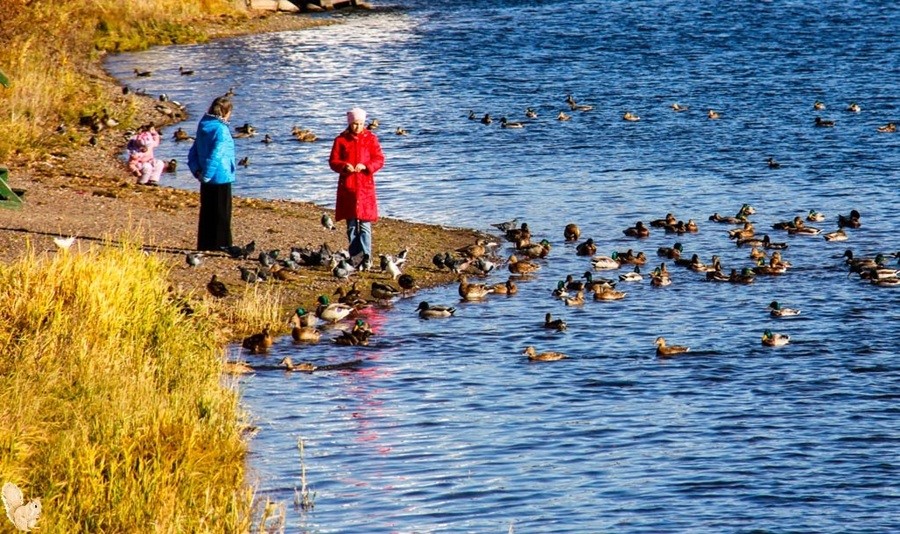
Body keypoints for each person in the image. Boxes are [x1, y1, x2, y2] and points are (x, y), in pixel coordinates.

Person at [328, 107, 385, 270]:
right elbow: (333, 161)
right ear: (349, 123)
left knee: (365, 225)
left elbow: (379, 159)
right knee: (352, 225)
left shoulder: (371, 139)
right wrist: (344, 166)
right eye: (354, 124)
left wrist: (366, 166)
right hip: (348, 187)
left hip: (365, 187)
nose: (357, 127)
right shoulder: (341, 140)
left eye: (360, 124)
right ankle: (355, 257)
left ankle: (367, 257)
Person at [188, 96, 236, 251]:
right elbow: (217, 154)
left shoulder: (203, 125)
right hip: (221, 175)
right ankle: (222, 245)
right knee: (222, 212)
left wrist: (197, 170)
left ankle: (205, 244)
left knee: (207, 211)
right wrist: (208, 174)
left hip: (204, 175)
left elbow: (193, 151)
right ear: (226, 112)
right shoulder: (221, 129)